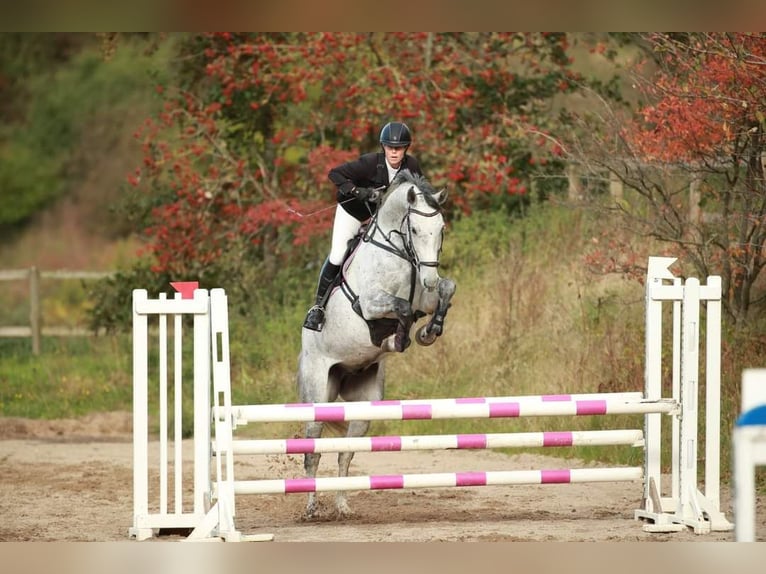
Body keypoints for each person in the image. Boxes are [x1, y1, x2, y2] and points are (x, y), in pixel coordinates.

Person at [303, 121, 425, 331]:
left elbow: (420, 194)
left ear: (406, 148)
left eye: (399, 148)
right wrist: (355, 191)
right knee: (339, 253)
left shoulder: (411, 166)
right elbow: (335, 173)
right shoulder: (370, 163)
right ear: (383, 147)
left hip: (379, 217)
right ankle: (318, 308)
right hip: (353, 212)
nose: (394, 152)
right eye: (390, 147)